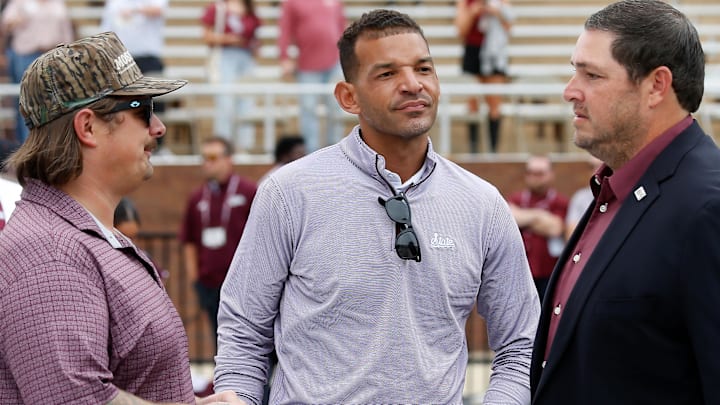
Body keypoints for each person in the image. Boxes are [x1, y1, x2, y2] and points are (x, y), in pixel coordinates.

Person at [214, 9, 540, 405]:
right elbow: (244, 331)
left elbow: (522, 345)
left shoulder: (482, 204)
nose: (412, 85)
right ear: (348, 97)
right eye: (387, 74)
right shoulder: (288, 193)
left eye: (424, 69)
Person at [0, 31, 237, 404]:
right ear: (88, 127)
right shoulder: (48, 254)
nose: (158, 128)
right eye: (142, 109)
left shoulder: (82, 235)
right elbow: (76, 400)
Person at [530, 1, 720, 403]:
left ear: (656, 85)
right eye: (573, 70)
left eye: (592, 75)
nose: (570, 91)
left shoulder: (707, 207)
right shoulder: (614, 190)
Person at [179, 136, 257, 350]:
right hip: (210, 283)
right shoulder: (197, 197)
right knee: (220, 341)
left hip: (244, 284)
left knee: (250, 341)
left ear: (229, 159)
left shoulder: (248, 191)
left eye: (213, 157)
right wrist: (196, 280)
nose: (208, 163)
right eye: (204, 158)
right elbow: (189, 241)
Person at [101, 0, 170, 153]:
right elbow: (106, 29)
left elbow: (158, 10)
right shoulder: (114, 3)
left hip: (149, 57)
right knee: (126, 105)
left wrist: (134, 10)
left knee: (155, 103)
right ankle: (127, 145)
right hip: (122, 57)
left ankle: (158, 146)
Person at [1, 0, 74, 144]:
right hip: (26, 56)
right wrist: (17, 21)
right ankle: (27, 145)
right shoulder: (20, 3)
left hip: (52, 56)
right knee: (27, 104)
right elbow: (6, 24)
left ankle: (49, 144)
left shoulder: (57, 4)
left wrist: (68, 54)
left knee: (52, 103)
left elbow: (66, 30)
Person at [278, 0, 347, 152]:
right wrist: (284, 57)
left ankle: (337, 150)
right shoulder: (292, 2)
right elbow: (285, 29)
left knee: (336, 107)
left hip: (334, 62)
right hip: (307, 64)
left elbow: (342, 27)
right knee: (308, 110)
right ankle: (311, 151)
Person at [200, 0, 261, 153]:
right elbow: (206, 36)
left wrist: (254, 45)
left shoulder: (249, 8)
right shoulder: (218, 8)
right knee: (225, 104)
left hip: (245, 58)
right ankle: (224, 147)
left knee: (247, 104)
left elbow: (255, 36)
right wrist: (229, 39)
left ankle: (244, 146)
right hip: (225, 57)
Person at [508, 155, 569, 301]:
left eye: (540, 173)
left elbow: (554, 228)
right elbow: (510, 219)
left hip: (550, 274)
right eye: (531, 173)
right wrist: (540, 216)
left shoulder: (560, 201)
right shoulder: (516, 198)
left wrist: (525, 217)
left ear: (551, 174)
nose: (535, 177)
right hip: (519, 273)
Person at [454, 0, 511, 153]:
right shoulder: (465, 2)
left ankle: (493, 151)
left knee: (494, 104)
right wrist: (472, 13)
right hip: (473, 53)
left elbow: (508, 27)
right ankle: (474, 151)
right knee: (473, 104)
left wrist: (497, 13)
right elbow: (460, 30)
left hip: (494, 54)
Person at [563, 154, 602, 240]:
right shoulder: (580, 197)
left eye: (601, 166)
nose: (597, 171)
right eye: (592, 167)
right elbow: (571, 235)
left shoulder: (620, 195)